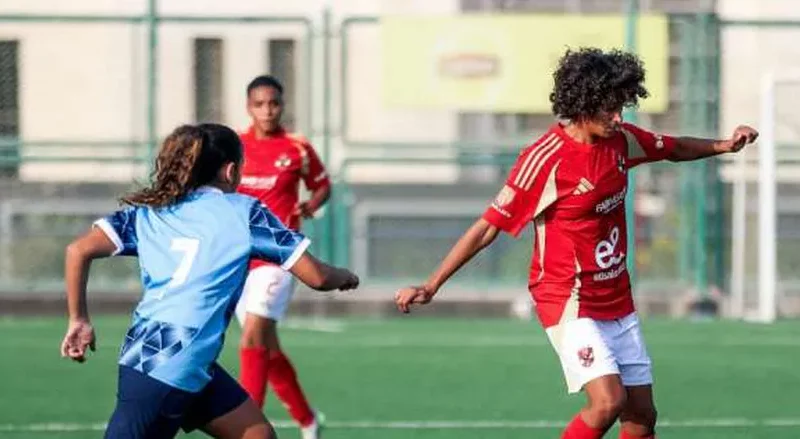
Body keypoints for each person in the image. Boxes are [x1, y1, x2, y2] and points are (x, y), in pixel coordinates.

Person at [394, 47, 758, 439]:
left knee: (641, 418)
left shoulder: (621, 140)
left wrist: (723, 145)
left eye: (622, 106)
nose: (619, 117)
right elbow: (487, 227)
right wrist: (431, 284)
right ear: (581, 104)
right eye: (609, 109)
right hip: (567, 298)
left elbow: (672, 148)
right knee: (607, 401)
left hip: (616, 296)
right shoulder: (544, 159)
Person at [59, 123, 358, 439]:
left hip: (157, 349)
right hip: (175, 360)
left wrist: (79, 319)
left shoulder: (152, 211)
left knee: (257, 434)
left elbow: (77, 250)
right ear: (231, 171)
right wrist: (345, 277)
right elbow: (318, 277)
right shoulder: (245, 212)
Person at [234, 75, 331, 438]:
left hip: (279, 257)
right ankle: (308, 420)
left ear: (282, 105)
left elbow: (322, 185)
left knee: (252, 339)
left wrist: (311, 205)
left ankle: (244, 427)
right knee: (267, 349)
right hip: (239, 258)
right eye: (259, 104)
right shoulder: (234, 145)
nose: (267, 110)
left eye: (273, 103)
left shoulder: (297, 147)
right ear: (249, 107)